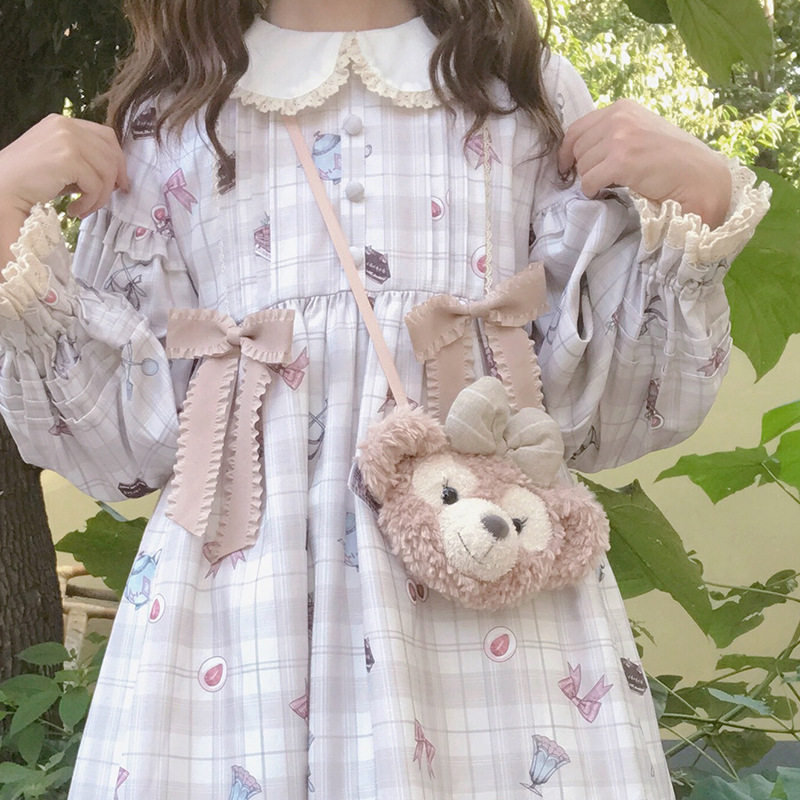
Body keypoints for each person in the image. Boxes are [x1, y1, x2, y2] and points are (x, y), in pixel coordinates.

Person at [0, 0, 770, 797]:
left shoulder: (516, 85)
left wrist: (702, 197)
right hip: (246, 615)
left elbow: (602, 408)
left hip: (487, 600)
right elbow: (124, 444)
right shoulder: (174, 113)